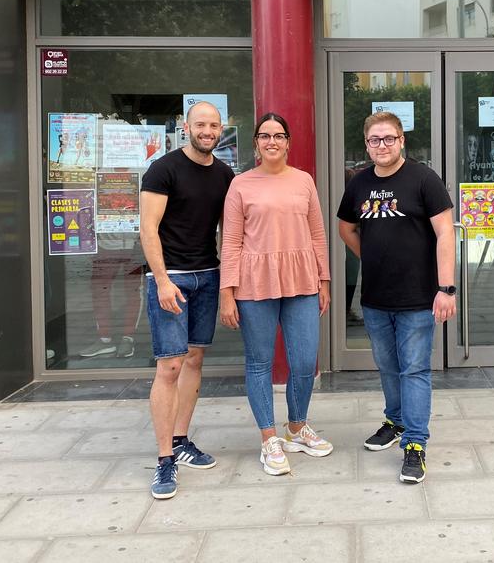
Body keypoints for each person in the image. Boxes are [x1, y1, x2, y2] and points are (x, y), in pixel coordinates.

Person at [337, 111, 456, 484]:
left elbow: (445, 234)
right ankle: (396, 420)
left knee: (414, 369)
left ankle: (416, 444)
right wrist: (371, 259)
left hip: (419, 297)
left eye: (389, 138)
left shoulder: (423, 179)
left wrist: (446, 288)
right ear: (367, 144)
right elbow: (345, 227)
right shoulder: (359, 184)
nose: (382, 146)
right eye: (375, 140)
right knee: (388, 366)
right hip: (375, 298)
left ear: (401, 140)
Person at [219, 112, 332, 476]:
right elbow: (231, 241)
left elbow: (317, 233)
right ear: (255, 143)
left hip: (301, 280)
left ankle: (296, 427)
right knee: (260, 363)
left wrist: (324, 279)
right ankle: (269, 437)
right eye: (265, 136)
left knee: (303, 361)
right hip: (255, 283)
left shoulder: (304, 181)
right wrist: (227, 292)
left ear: (288, 142)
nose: (272, 141)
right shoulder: (240, 185)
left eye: (279, 135)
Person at [139, 101, 233, 500]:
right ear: (185, 126)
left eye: (213, 125)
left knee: (194, 359)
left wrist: (229, 281)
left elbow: (230, 232)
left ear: (220, 128)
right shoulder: (163, 169)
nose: (207, 130)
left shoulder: (226, 174)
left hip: (208, 276)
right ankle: (164, 461)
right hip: (171, 278)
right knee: (170, 365)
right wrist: (161, 280)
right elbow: (148, 228)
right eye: (200, 124)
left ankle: (180, 441)